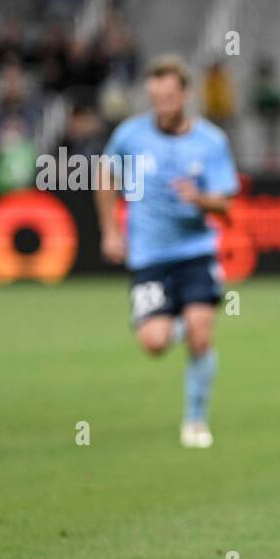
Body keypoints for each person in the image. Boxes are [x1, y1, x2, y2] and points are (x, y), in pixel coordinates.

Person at [94, 56, 239, 448]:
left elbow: (226, 205)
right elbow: (103, 174)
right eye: (156, 98)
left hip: (195, 250)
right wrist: (110, 230)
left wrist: (201, 200)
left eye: (170, 97)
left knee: (202, 332)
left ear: (186, 95)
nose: (163, 105)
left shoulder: (211, 141)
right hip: (149, 255)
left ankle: (195, 420)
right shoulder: (129, 135)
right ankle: (176, 324)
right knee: (155, 343)